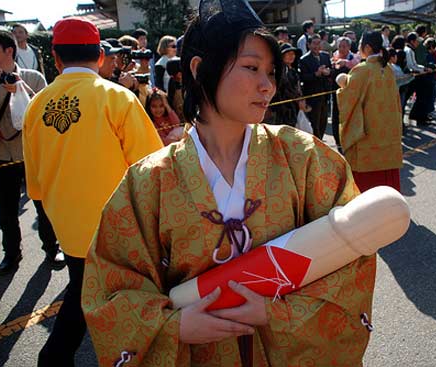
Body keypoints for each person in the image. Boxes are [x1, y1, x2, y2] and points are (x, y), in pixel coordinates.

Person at [82, 1, 376, 366]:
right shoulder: (148, 181)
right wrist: (172, 326)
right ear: (199, 67)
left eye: (270, 71)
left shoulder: (305, 157)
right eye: (252, 67)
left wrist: (277, 314)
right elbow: (110, 286)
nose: (268, 85)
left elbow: (354, 259)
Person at [22, 18, 164, 366]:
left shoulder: (36, 104)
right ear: (101, 56)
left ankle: (57, 357)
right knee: (125, 299)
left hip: (69, 227)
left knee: (83, 291)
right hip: (120, 228)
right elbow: (153, 167)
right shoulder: (117, 98)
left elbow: (36, 186)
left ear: (55, 58)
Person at [0, 30, 63, 274]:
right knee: (7, 209)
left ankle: (52, 247)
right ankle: (11, 253)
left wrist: (21, 91)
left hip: (33, 153)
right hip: (1, 152)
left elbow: (47, 111)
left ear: (8, 50)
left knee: (44, 205)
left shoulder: (33, 77)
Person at [337, 30, 402, 192]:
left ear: (366, 47)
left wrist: (342, 86)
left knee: (366, 185)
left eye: (359, 45)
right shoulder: (387, 69)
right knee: (386, 177)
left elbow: (348, 99)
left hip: (367, 131)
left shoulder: (362, 70)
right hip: (388, 130)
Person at [300, 33, 333, 139]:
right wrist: (316, 74)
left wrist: (328, 72)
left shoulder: (325, 56)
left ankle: (321, 141)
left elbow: (331, 70)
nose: (317, 46)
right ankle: (317, 145)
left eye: (319, 43)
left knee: (323, 121)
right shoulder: (304, 59)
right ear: (309, 45)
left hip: (325, 94)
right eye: (314, 43)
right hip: (313, 95)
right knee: (314, 123)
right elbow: (303, 77)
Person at [270, 42, 305, 127]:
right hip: (282, 108)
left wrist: (301, 99)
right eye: (288, 54)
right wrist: (298, 99)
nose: (292, 56)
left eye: (293, 54)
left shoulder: (292, 70)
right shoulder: (280, 70)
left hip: (292, 108)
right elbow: (285, 87)